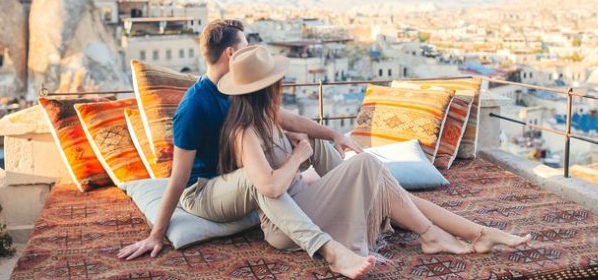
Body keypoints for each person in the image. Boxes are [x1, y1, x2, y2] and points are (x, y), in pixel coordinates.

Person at [217, 45, 532, 278]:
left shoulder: (267, 115)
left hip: (307, 203)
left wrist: (333, 136)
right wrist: (300, 155)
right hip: (287, 225)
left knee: (380, 182)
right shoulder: (244, 133)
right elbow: (269, 187)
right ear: (268, 88)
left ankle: (476, 231)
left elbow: (302, 123)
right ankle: (436, 234)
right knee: (367, 166)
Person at [119, 20, 372, 278]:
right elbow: (179, 178)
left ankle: (365, 198)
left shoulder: (239, 88)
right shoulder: (194, 106)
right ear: (231, 53)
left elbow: (286, 118)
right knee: (257, 179)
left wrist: (334, 134)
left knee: (309, 141)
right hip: (204, 191)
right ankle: (330, 251)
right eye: (246, 45)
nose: (250, 51)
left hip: (240, 178)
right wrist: (156, 234)